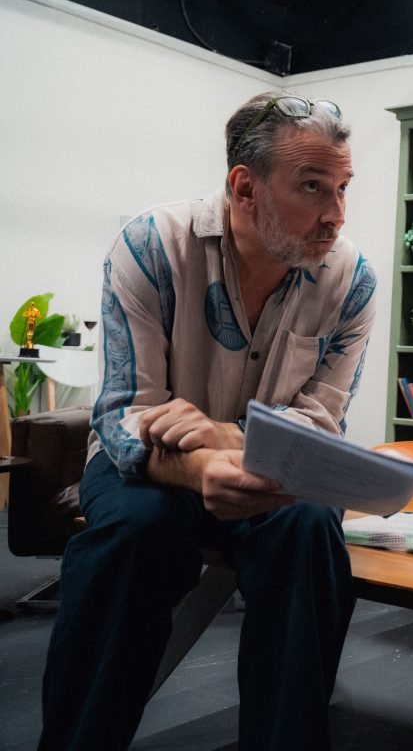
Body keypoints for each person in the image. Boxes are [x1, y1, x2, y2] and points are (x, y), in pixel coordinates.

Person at [39, 91, 376, 751]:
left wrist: (228, 437)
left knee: (308, 529)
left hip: (273, 469)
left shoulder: (352, 280)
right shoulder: (151, 247)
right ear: (244, 188)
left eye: (342, 188)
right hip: (148, 471)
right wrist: (200, 467)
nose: (335, 216)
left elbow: (320, 419)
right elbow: (122, 417)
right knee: (133, 537)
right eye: (313, 187)